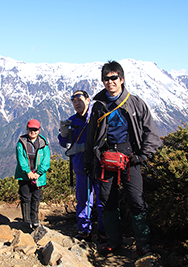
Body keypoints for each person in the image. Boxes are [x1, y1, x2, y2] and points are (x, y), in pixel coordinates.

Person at [84, 61, 160, 255]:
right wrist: (88, 160)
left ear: (122, 79)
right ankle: (114, 241)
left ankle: (143, 243)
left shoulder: (135, 103)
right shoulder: (99, 106)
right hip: (105, 159)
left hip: (131, 158)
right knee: (107, 200)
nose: (110, 82)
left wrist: (143, 155)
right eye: (106, 79)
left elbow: (150, 132)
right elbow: (91, 135)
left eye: (113, 78)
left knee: (136, 199)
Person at [58, 90, 106, 243]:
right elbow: (64, 143)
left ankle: (103, 231)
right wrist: (64, 135)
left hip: (98, 164)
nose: (77, 103)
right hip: (80, 166)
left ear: (88, 100)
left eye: (80, 99)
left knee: (102, 199)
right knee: (83, 200)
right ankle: (84, 230)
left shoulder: (98, 117)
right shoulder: (72, 121)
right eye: (74, 101)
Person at [15, 119, 51, 229]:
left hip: (38, 177)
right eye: (31, 129)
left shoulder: (43, 144)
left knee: (36, 197)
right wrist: (28, 172)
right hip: (25, 175)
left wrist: (38, 173)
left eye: (35, 130)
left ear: (39, 130)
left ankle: (34, 221)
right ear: (27, 129)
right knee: (25, 197)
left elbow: (46, 160)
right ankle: (27, 222)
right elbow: (21, 159)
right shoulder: (21, 143)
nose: (33, 132)